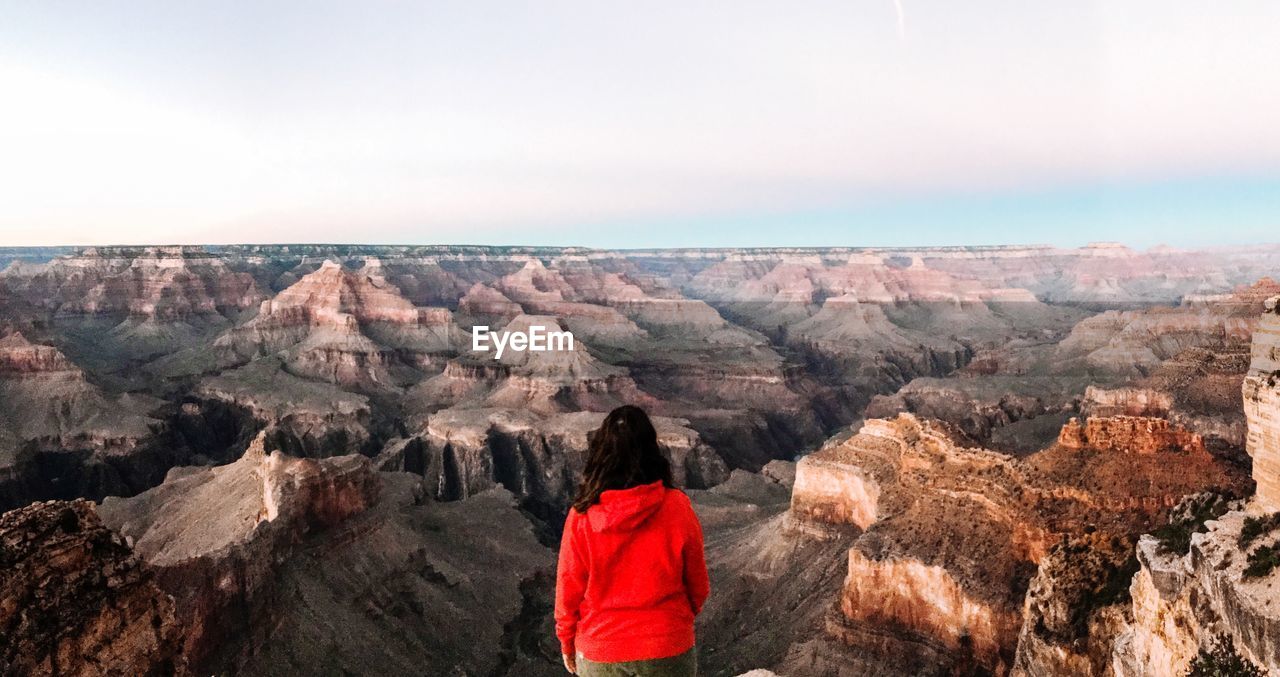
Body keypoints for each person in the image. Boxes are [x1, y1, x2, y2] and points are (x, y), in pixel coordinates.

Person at [554, 405, 710, 676]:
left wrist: (566, 641)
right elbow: (698, 584)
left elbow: (568, 591)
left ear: (601, 454)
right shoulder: (677, 507)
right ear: (652, 450)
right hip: (667, 646)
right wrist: (673, 624)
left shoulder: (581, 517)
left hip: (602, 651)